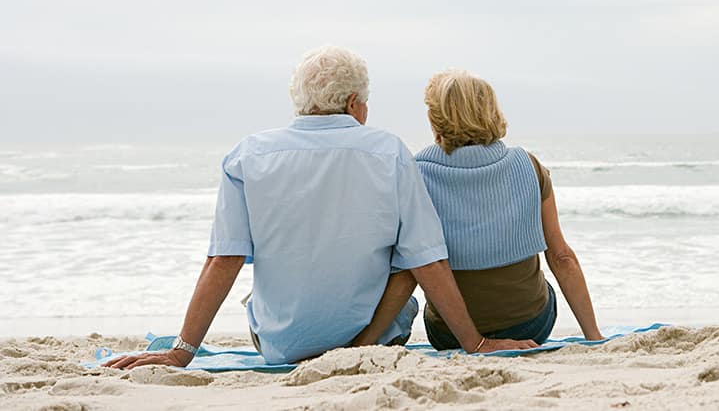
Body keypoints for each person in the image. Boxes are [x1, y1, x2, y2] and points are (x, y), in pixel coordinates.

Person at [104, 48, 535, 369]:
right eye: (364, 102)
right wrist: (474, 343)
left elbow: (224, 259)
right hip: (377, 341)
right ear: (352, 103)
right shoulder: (389, 152)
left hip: (279, 345)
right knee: (398, 267)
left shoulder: (248, 156)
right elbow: (426, 260)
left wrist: (182, 352)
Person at [414, 70, 603, 350]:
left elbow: (415, 264)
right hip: (531, 326)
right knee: (542, 288)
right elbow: (561, 257)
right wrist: (594, 338)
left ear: (435, 119)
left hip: (450, 334)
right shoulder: (527, 165)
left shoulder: (416, 174)